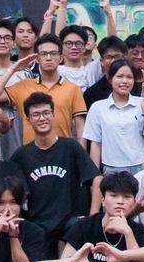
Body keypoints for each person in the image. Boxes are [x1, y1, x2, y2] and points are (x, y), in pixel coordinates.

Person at [8, 92, 98, 238]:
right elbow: (11, 190)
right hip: (37, 226)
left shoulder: (71, 147)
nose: (42, 118)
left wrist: (92, 218)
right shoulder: (21, 155)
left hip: (70, 224)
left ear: (53, 115)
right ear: (28, 119)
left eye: (46, 113)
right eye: (36, 115)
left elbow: (96, 178)